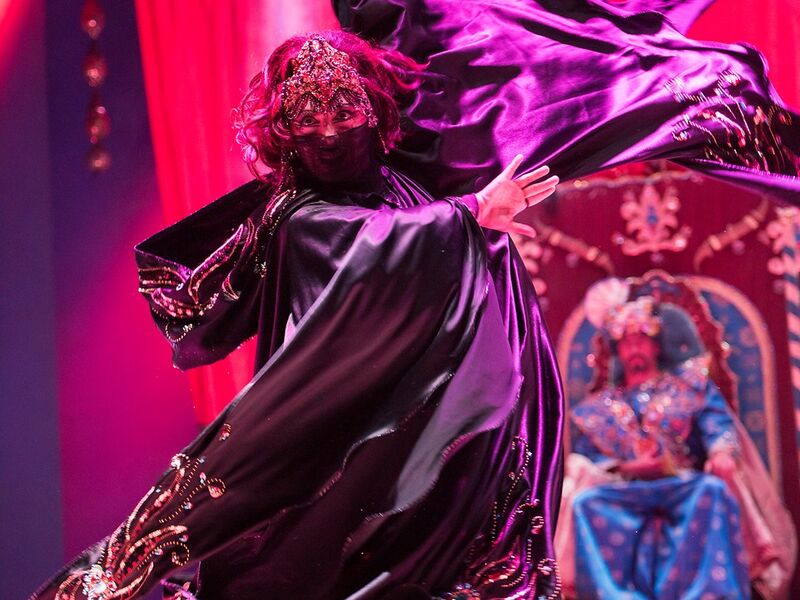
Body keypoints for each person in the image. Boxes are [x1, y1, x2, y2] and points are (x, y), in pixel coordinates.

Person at [31, 31, 565, 600]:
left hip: (437, 421)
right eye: (307, 119)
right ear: (284, 134)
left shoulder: (408, 186)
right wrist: (473, 211)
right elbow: (372, 246)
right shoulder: (296, 219)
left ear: (373, 114)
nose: (329, 134)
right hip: (348, 430)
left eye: (343, 112)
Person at [555, 279, 796, 599]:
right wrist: (625, 467)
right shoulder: (599, 409)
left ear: (655, 346)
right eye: (626, 343)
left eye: (641, 340)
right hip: (625, 489)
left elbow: (717, 425)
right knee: (585, 503)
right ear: (618, 352)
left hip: (681, 483)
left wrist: (722, 452)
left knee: (712, 491)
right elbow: (588, 457)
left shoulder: (691, 387)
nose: (634, 348)